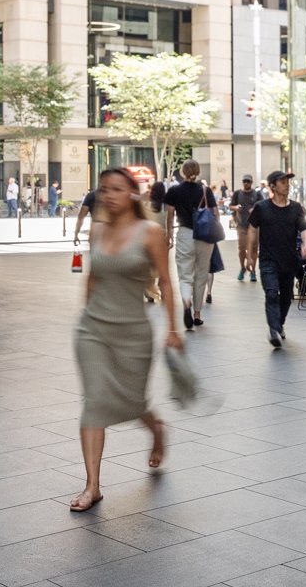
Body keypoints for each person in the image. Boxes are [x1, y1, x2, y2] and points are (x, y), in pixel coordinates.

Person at [70, 166, 181, 512]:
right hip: (94, 331)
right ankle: (92, 486)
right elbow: (92, 277)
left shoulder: (150, 232)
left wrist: (174, 329)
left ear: (133, 193)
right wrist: (84, 315)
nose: (108, 196)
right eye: (104, 190)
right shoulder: (97, 230)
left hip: (133, 332)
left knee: (132, 403)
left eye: (116, 189)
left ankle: (157, 430)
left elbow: (165, 281)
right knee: (95, 401)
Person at [251, 168, 306, 348]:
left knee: (285, 298)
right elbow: (252, 230)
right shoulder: (261, 208)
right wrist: (250, 256)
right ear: (272, 186)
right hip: (268, 259)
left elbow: (304, 228)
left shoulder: (296, 208)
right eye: (283, 182)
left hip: (289, 260)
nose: (287, 185)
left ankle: (279, 325)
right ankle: (274, 330)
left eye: (288, 182)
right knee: (271, 292)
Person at [164, 160, 217, 331]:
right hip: (204, 235)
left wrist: (169, 234)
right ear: (198, 172)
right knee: (201, 275)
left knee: (185, 275)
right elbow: (215, 213)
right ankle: (197, 314)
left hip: (185, 233)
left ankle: (186, 302)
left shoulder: (174, 190)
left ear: (182, 172)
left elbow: (170, 215)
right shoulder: (205, 190)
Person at [231, 174, 261, 280]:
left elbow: (263, 206)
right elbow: (231, 206)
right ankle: (242, 268)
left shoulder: (257, 194)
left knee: (254, 249)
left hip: (254, 225)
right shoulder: (237, 193)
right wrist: (236, 207)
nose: (246, 183)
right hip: (241, 225)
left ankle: (253, 271)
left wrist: (255, 209)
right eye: (244, 181)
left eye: (248, 181)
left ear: (251, 182)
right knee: (242, 248)